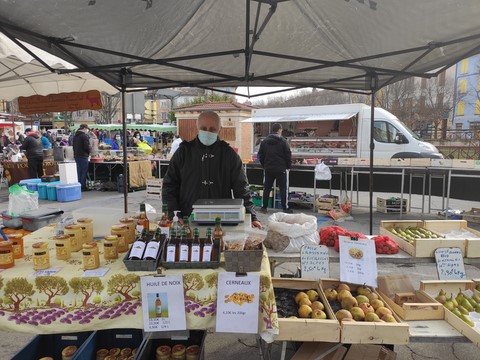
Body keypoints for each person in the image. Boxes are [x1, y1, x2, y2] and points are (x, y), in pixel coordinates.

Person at [162, 111, 262, 229]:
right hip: (187, 219)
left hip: (221, 220)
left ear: (219, 129)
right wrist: (173, 212)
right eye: (204, 128)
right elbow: (169, 185)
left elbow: (241, 188)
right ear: (197, 127)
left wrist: (252, 216)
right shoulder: (183, 153)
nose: (207, 132)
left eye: (212, 129)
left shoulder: (229, 155)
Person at [257, 122, 293, 213]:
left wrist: (264, 165)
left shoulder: (264, 141)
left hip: (268, 168)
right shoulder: (283, 141)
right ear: (279, 130)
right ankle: (285, 208)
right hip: (281, 169)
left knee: (267, 188)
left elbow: (260, 155)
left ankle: (264, 207)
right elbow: (288, 155)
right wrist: (288, 166)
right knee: (283, 188)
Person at [72, 124, 91, 191]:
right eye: (87, 129)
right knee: (84, 172)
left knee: (79, 171)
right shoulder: (84, 136)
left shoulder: (75, 136)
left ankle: (78, 185)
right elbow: (86, 147)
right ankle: (83, 186)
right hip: (83, 156)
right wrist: (88, 153)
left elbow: (73, 147)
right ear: (84, 128)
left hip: (77, 156)